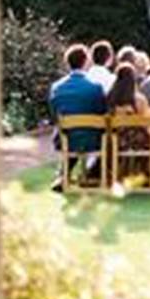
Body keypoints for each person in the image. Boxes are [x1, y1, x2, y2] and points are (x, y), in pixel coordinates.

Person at [48, 44, 108, 192]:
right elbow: (101, 112)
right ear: (86, 61)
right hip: (93, 139)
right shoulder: (95, 87)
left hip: (67, 138)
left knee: (65, 131)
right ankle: (94, 175)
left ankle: (63, 175)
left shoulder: (56, 87)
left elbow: (54, 115)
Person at [107, 62, 150, 156]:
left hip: (117, 141)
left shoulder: (110, 99)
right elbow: (146, 121)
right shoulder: (140, 100)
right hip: (140, 142)